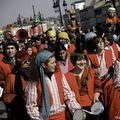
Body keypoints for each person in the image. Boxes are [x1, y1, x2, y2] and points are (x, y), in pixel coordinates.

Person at [26, 50, 81, 120]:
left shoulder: (59, 75)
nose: (55, 64)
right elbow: (31, 105)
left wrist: (76, 110)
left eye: (55, 62)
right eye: (52, 63)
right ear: (44, 65)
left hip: (62, 116)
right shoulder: (34, 81)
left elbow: (68, 94)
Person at [65, 53, 102, 120]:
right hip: (76, 107)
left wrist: (96, 96)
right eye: (79, 60)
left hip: (92, 105)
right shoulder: (67, 76)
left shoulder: (91, 72)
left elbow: (98, 86)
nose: (82, 62)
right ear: (74, 61)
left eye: (84, 60)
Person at [3, 50, 31, 120]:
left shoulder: (35, 75)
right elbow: (5, 96)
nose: (28, 63)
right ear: (19, 62)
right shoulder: (12, 76)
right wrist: (17, 99)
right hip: (18, 112)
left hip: (33, 111)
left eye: (29, 60)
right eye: (25, 61)